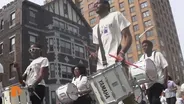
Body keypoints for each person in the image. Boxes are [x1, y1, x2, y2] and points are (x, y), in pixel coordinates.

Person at [91, 0, 133, 103]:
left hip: (116, 62)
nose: (95, 5)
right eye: (94, 4)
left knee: (127, 97)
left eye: (98, 3)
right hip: (101, 67)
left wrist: (122, 53)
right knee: (107, 99)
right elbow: (98, 48)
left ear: (106, 5)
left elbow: (128, 37)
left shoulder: (115, 15)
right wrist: (94, 55)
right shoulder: (95, 28)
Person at [139, 40, 168, 104]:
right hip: (149, 84)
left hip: (158, 82)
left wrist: (165, 81)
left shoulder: (158, 54)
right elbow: (141, 71)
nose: (144, 48)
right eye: (143, 46)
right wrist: (143, 84)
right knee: (151, 101)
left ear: (151, 46)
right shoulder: (142, 58)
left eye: (146, 46)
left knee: (155, 101)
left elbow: (165, 67)